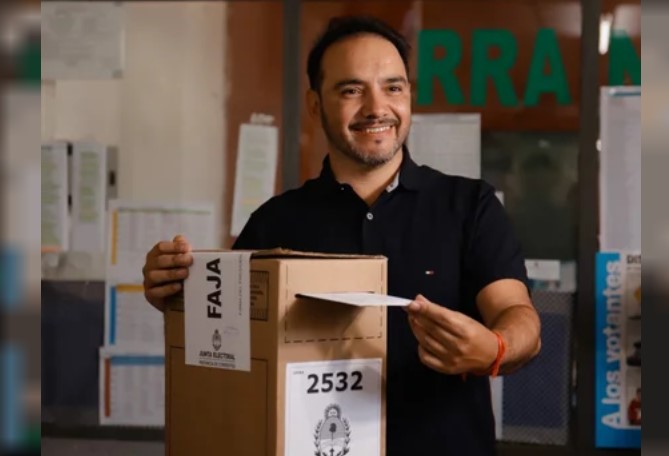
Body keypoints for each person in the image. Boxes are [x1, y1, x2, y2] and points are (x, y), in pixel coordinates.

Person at [142, 15, 541, 455]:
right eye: (352, 90)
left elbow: (518, 315)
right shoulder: (274, 222)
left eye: (393, 87)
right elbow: (228, 350)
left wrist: (495, 348)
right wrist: (177, 294)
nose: (376, 107)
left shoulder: (469, 206)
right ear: (315, 106)